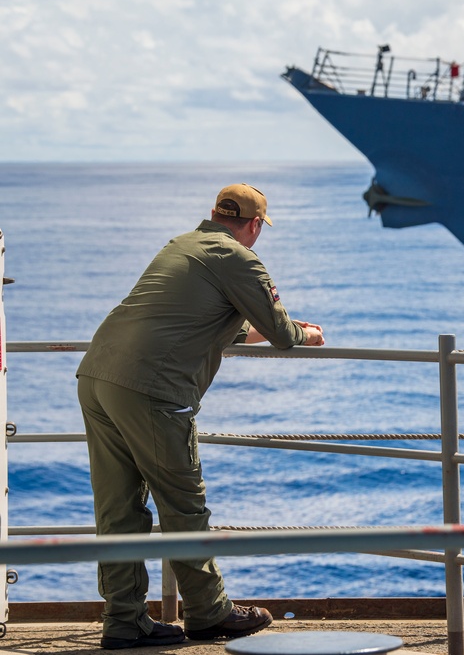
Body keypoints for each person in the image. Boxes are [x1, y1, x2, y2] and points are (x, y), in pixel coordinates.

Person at [76, 183, 325, 649]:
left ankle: (124, 621)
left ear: (213, 213)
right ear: (254, 225)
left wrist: (265, 330)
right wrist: (306, 334)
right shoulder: (240, 258)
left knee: (118, 509)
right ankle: (209, 613)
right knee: (183, 504)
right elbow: (280, 332)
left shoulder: (183, 244)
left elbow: (202, 322)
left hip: (99, 374)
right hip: (152, 389)